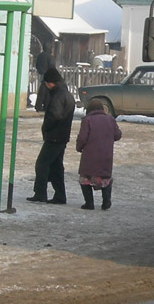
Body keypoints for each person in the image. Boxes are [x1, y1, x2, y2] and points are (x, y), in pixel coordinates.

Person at [28, 66, 76, 204]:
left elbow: (54, 116)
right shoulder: (66, 94)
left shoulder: (58, 96)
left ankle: (40, 193)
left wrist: (46, 128)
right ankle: (60, 195)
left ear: (50, 82)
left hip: (54, 137)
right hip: (62, 137)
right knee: (56, 166)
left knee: (41, 164)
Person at [75, 99, 122, 210]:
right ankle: (106, 201)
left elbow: (82, 138)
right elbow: (118, 135)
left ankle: (89, 203)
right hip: (106, 154)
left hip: (90, 155)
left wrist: (79, 148)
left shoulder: (87, 120)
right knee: (105, 178)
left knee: (85, 178)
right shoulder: (110, 119)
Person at [34, 42, 56, 112]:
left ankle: (39, 106)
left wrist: (40, 70)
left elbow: (37, 64)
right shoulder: (50, 57)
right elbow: (52, 67)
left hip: (41, 74)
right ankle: (45, 106)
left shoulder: (40, 55)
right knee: (47, 91)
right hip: (48, 75)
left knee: (42, 91)